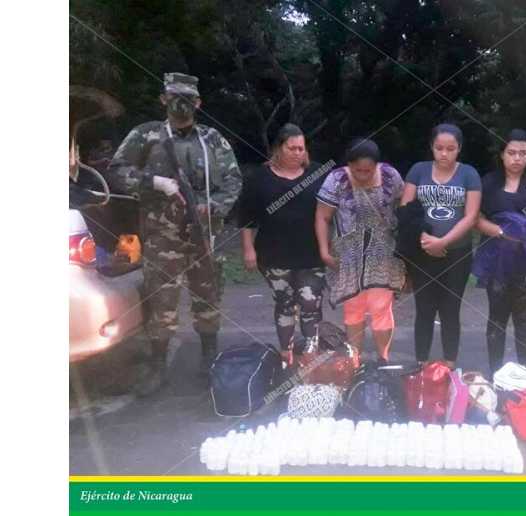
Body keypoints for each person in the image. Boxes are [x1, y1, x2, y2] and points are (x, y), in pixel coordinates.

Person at [108, 73, 242, 396]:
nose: (181, 103)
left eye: (187, 98)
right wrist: (153, 182)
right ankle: (157, 368)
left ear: (198, 102)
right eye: (174, 96)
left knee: (208, 298)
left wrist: (212, 207)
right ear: (163, 99)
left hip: (204, 235)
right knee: (161, 301)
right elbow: (116, 171)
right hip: (161, 237)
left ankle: (209, 360)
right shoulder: (146, 135)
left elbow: (233, 180)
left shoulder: (212, 139)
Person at [237, 124, 328, 364]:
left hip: (311, 254)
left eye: (301, 148)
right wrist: (248, 249)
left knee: (310, 301)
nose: (298, 153)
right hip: (273, 254)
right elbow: (246, 217)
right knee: (285, 302)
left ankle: (310, 354)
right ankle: (286, 354)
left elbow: (335, 206)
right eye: (292, 148)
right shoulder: (259, 178)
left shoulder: (318, 173)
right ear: (278, 148)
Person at [474, 129, 526, 374]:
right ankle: (495, 375)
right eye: (511, 153)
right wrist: (501, 232)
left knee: (524, 320)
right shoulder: (489, 182)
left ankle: (525, 377)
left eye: (523, 153)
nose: (517, 158)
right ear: (502, 154)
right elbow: (475, 217)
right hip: (496, 259)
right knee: (497, 318)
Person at [315, 138, 405, 361]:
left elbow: (404, 207)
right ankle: (354, 361)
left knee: (381, 308)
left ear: (377, 165)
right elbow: (322, 217)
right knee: (353, 308)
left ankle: (383, 359)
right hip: (347, 255)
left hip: (383, 254)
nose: (363, 175)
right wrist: (324, 252)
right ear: (349, 165)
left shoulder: (391, 176)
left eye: (368, 170)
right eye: (358, 170)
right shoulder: (336, 180)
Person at [401, 123, 481, 368]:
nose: (444, 154)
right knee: (424, 310)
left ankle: (449, 366)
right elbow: (406, 209)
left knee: (450, 310)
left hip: (457, 254)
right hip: (422, 253)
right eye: (439, 148)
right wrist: (425, 239)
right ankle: (421, 365)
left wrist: (443, 241)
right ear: (431, 147)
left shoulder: (469, 174)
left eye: (450, 149)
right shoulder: (418, 170)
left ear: (459, 149)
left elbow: (471, 216)